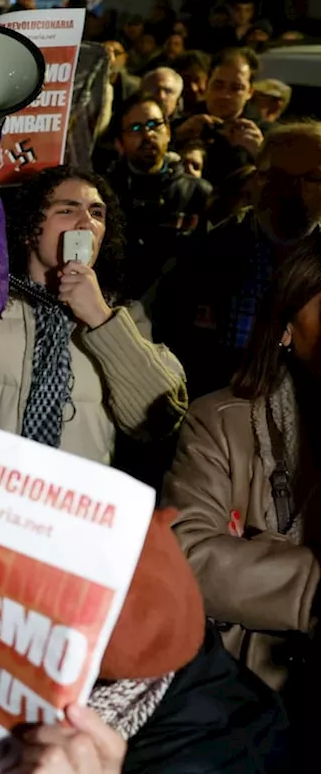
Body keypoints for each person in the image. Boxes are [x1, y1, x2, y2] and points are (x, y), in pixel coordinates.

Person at [0, 166, 188, 465]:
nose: (86, 223)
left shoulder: (125, 317)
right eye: (67, 211)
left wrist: (101, 319)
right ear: (31, 230)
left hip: (72, 505)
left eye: (97, 214)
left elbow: (158, 419)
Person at [165, 232, 321, 752]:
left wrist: (258, 561)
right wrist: (313, 586)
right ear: (284, 327)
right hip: (237, 699)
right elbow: (186, 557)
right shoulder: (221, 420)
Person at [154, 122, 321, 399]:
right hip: (210, 412)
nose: (293, 190)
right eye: (278, 176)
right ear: (258, 178)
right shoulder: (205, 252)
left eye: (310, 178)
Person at [106, 94, 212, 299]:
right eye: (135, 128)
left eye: (155, 124)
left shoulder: (197, 193)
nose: (147, 134)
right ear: (120, 142)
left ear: (169, 132)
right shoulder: (105, 192)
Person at [173, 48, 264, 186]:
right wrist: (175, 140)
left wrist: (262, 155)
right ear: (207, 84)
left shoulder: (265, 135)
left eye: (236, 88)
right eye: (218, 85)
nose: (224, 95)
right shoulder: (183, 125)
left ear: (250, 92)